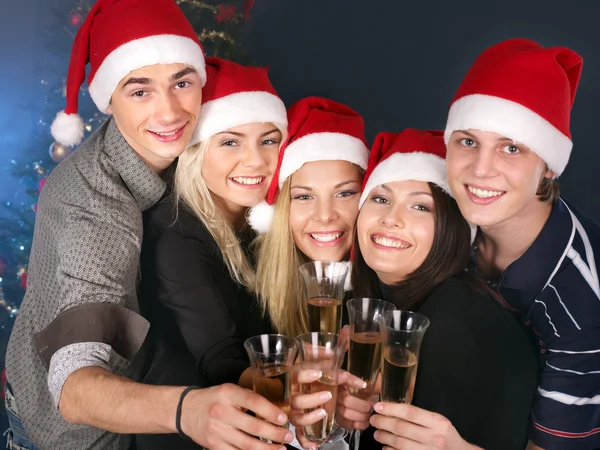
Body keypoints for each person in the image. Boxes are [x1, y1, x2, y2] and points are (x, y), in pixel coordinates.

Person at [4, 1, 294, 449]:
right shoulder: (93, 209)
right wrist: (188, 410)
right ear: (109, 99)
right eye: (140, 91)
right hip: (79, 438)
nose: (170, 112)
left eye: (182, 82)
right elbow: (74, 389)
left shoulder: (190, 155)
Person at [443, 38, 600, 450]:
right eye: (468, 141)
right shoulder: (447, 218)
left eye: (511, 148)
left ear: (548, 166)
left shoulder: (579, 304)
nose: (480, 169)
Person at [346, 129, 539, 449]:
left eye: (420, 207)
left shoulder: (452, 323)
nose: (390, 219)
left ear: (454, 230)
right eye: (380, 199)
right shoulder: (376, 304)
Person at [136, 56, 288, 449]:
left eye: (268, 140)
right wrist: (305, 385)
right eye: (230, 141)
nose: (255, 160)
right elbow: (220, 359)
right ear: (195, 151)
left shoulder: (262, 221)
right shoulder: (175, 231)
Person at [250, 96, 370, 337]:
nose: (325, 216)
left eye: (344, 193)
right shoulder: (251, 292)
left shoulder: (387, 294)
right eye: (304, 197)